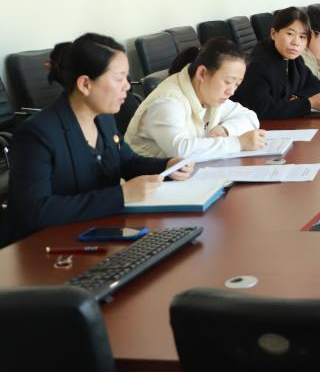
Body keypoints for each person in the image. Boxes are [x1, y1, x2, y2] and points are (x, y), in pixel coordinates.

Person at [0, 34, 193, 247]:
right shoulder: (37, 134)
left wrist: (167, 166)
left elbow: (127, 162)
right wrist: (121, 195)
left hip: (97, 235)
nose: (127, 86)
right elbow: (35, 211)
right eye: (119, 78)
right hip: (44, 248)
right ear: (85, 84)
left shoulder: (103, 118)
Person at [127, 38, 266, 161]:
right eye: (228, 82)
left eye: (237, 84)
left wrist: (226, 130)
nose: (231, 91)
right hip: (149, 179)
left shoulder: (209, 93)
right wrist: (238, 143)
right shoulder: (166, 101)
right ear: (202, 73)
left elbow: (249, 116)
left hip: (187, 174)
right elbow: (181, 150)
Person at [234, 7, 320, 119]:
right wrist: (309, 103)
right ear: (273, 33)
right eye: (290, 34)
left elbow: (316, 85)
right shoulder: (258, 64)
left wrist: (296, 98)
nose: (296, 42)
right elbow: (261, 109)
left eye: (302, 37)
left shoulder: (295, 59)